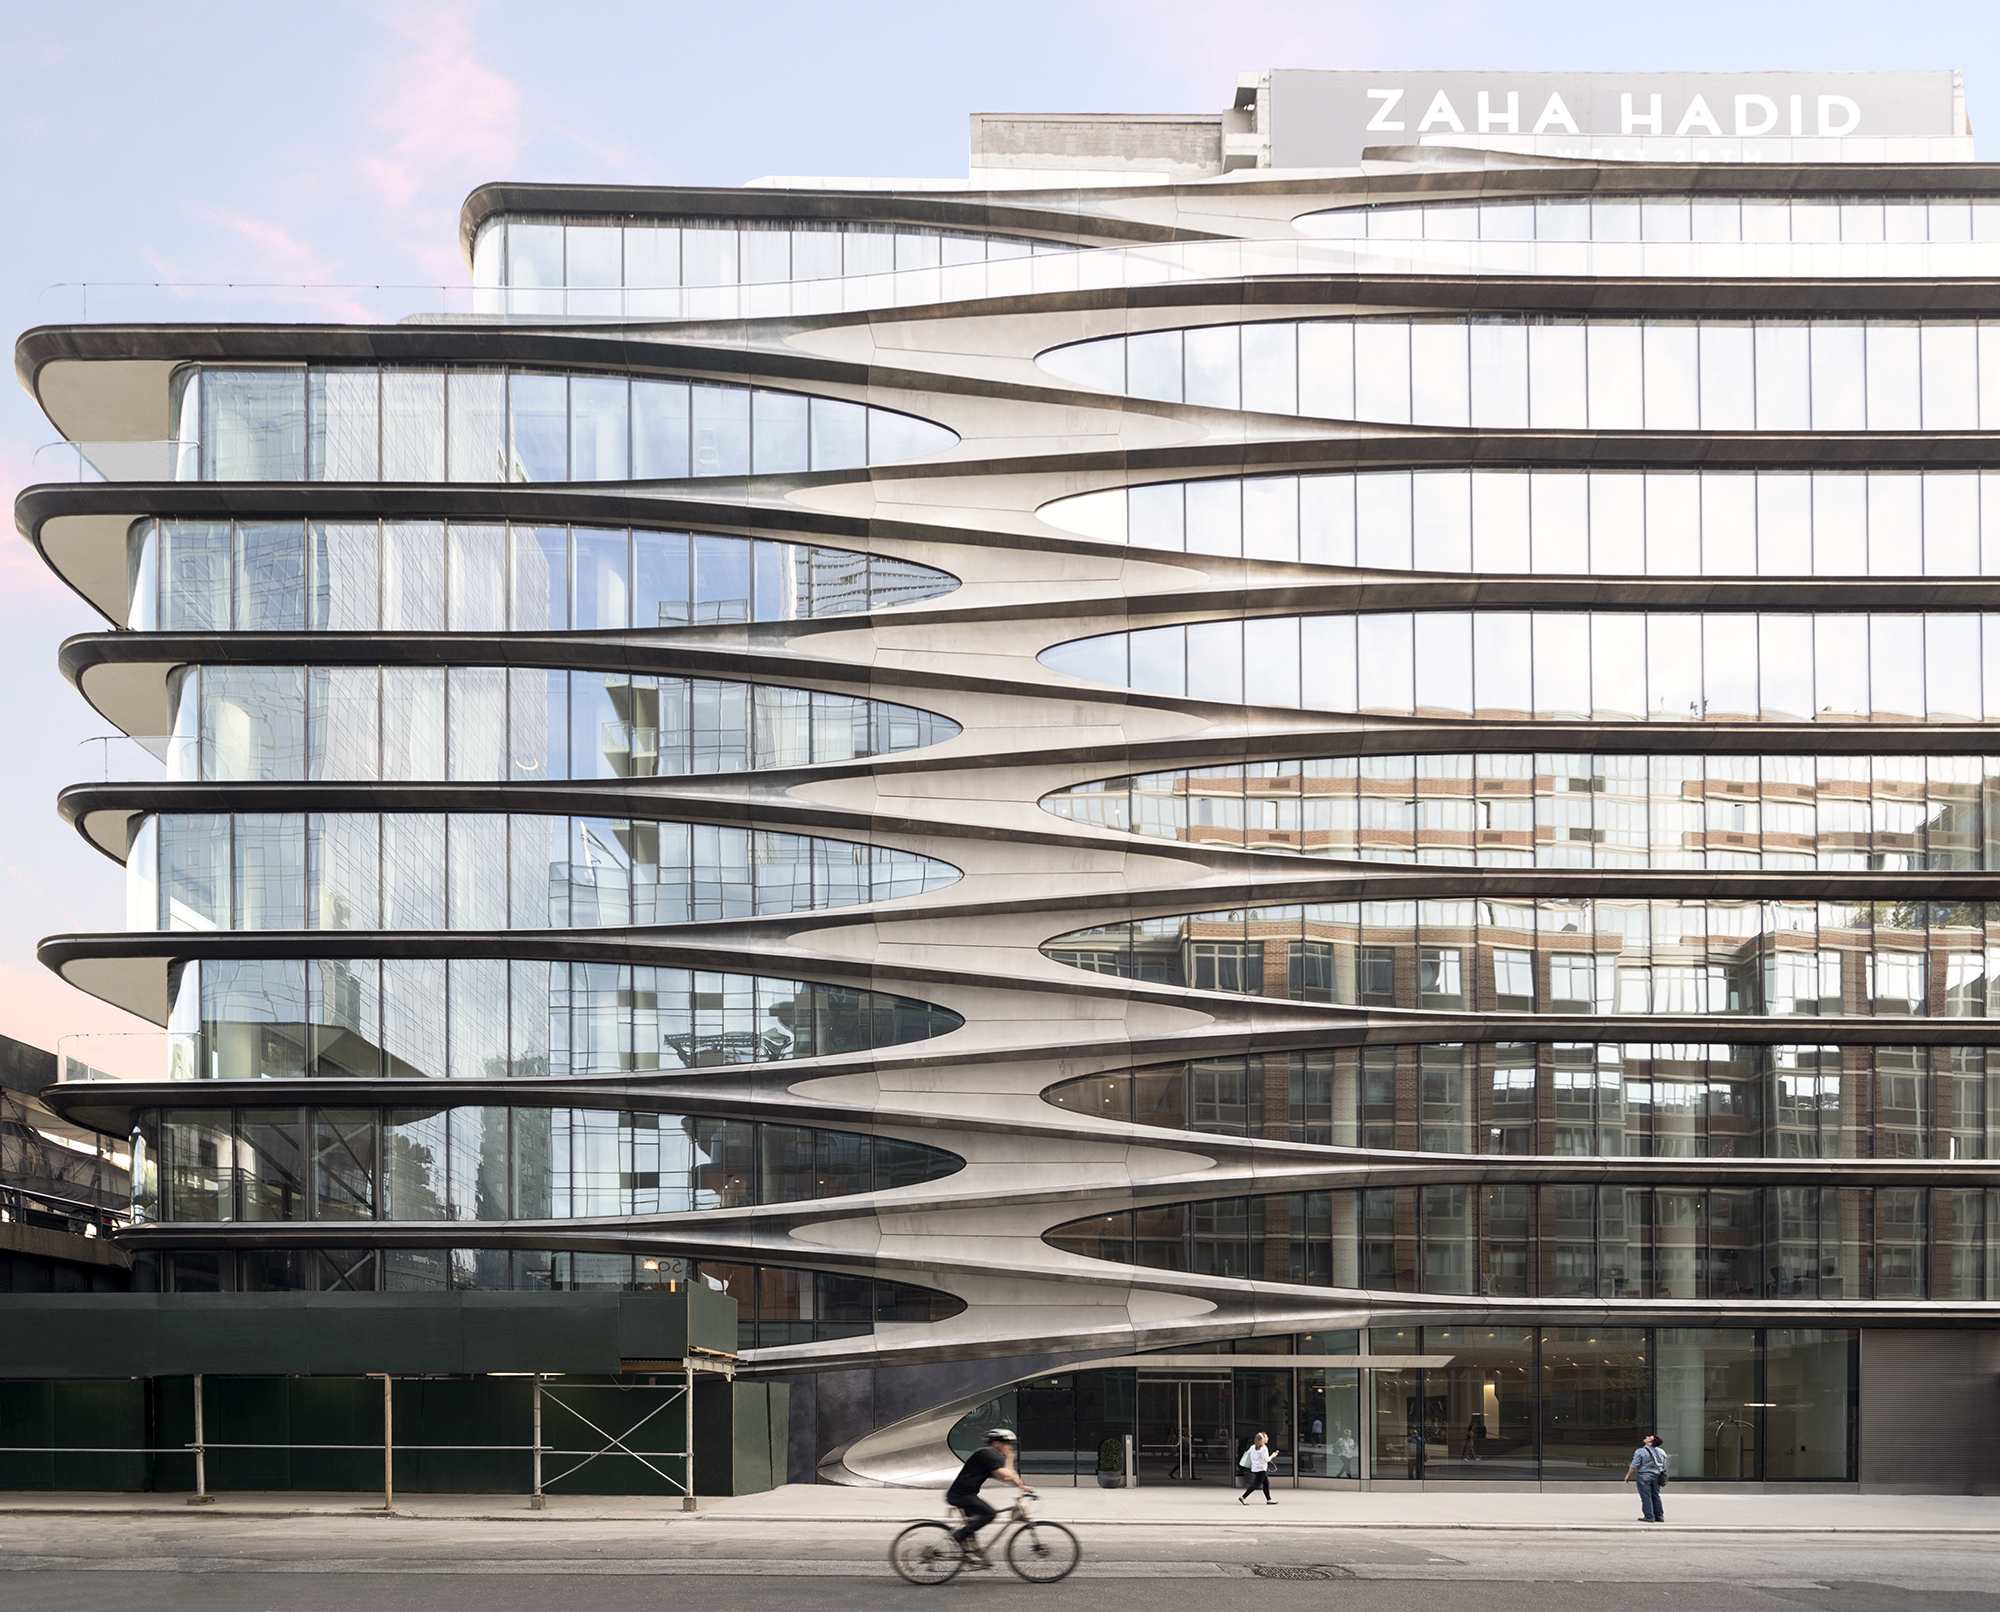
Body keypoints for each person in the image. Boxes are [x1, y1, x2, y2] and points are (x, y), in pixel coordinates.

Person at [948, 1427, 1034, 1566]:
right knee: (990, 1514)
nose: (1009, 1447)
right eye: (1007, 1444)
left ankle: (972, 1555)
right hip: (961, 1495)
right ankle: (959, 1535)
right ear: (996, 1443)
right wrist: (1009, 1459)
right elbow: (1005, 1476)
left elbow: (1009, 1475)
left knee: (973, 1524)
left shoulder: (990, 1455)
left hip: (966, 1494)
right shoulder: (988, 1454)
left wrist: (1023, 1487)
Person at [1625, 1433, 1668, 1522]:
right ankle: (1659, 1516)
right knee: (1656, 1495)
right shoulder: (1662, 1452)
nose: (1647, 1437)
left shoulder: (1640, 1451)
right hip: (1657, 1475)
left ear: (1651, 1443)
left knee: (1646, 1496)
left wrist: (1628, 1475)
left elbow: (1634, 1465)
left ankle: (1649, 1516)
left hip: (1644, 1475)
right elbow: (1663, 1465)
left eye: (1649, 1438)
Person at [1237, 1430, 1279, 1505]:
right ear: (1262, 1439)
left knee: (1266, 1483)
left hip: (1255, 1468)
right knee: (1256, 1485)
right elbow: (1266, 1459)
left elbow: (1249, 1455)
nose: (1267, 1439)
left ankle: (1269, 1499)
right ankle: (1243, 1497)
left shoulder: (1252, 1447)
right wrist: (1273, 1455)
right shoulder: (1264, 1448)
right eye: (1266, 1437)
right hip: (1261, 1469)